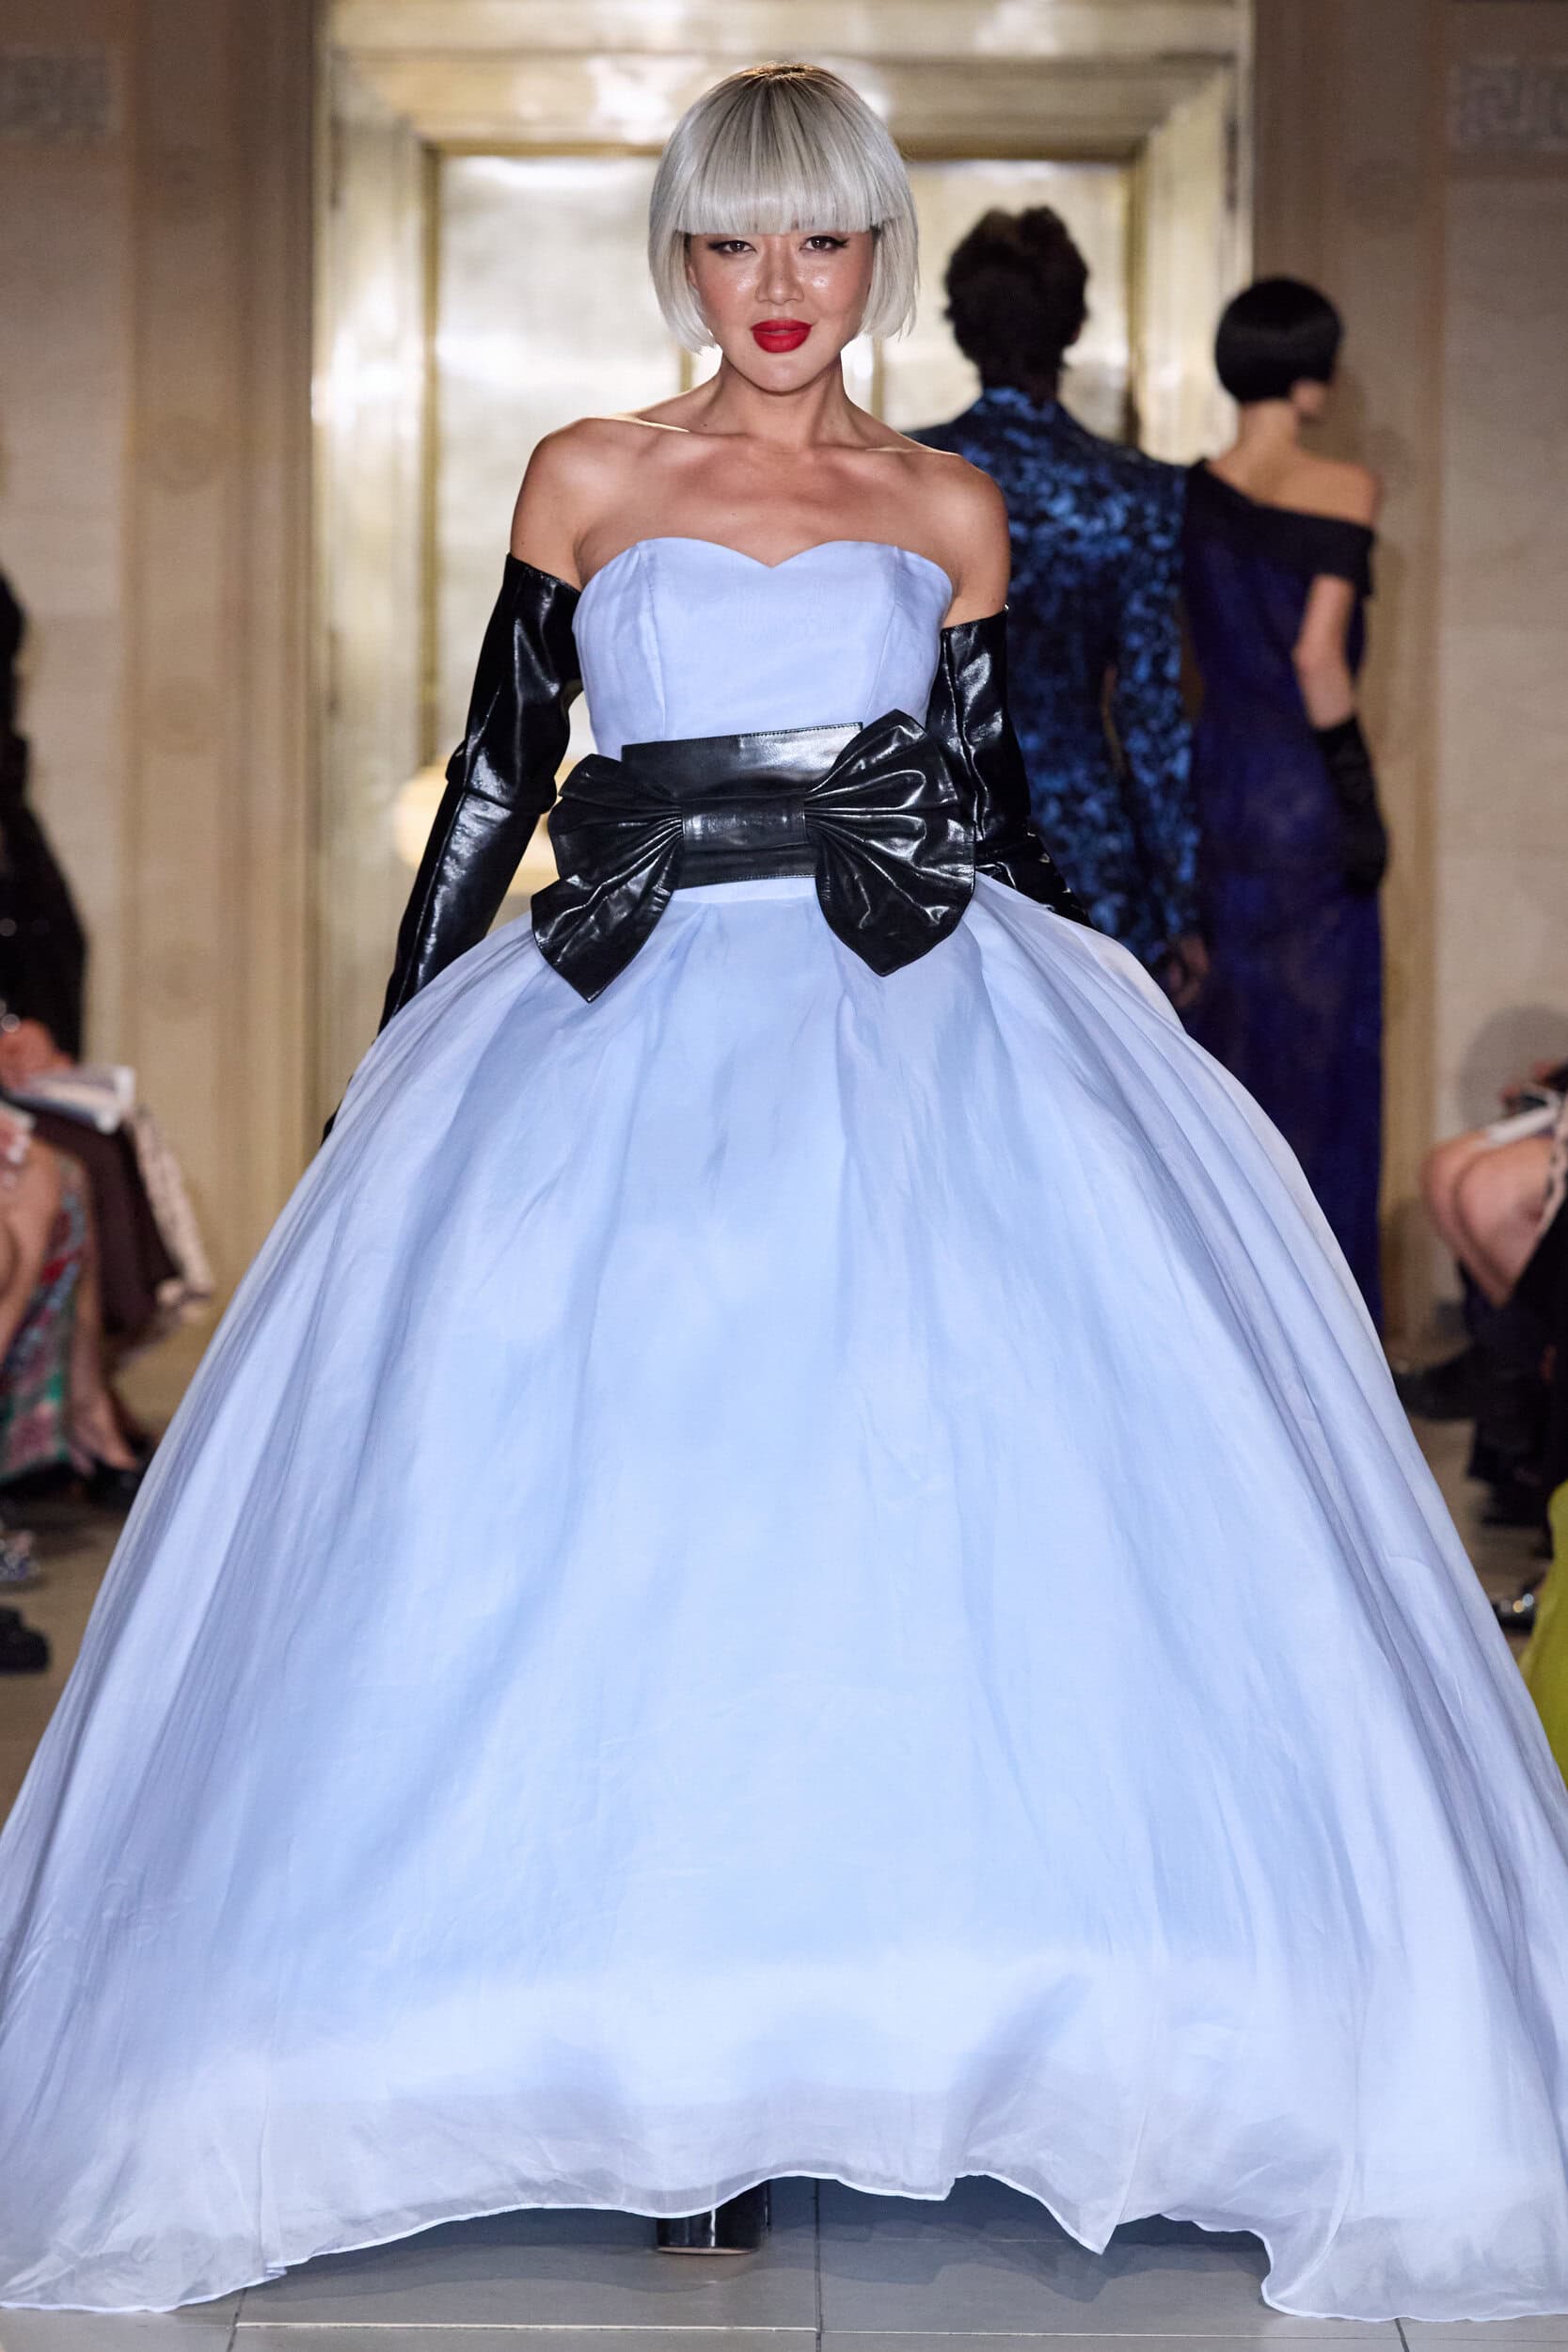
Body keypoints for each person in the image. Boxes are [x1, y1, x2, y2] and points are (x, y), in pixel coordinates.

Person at [4, 63, 1568, 2324]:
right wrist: (394, 1061)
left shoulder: (948, 508)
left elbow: (989, 810)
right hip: (611, 1017)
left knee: (929, 1501)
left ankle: (932, 2020)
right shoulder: (585, 476)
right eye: (732, 237)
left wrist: (1112, 1029)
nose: (773, 283)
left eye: (817, 238)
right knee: (622, 1494)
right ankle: (637, 2055)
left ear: (872, 257)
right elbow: (496, 786)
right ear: (679, 252)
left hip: (908, 1017)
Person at [913, 208, 1200, 996]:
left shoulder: (902, 475)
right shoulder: (1136, 491)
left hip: (928, 830)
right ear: (1073, 326)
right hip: (1082, 835)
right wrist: (1180, 903)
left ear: (961, 327)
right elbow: (1149, 712)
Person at [1182, 279, 1387, 1324]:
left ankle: (1228, 1323)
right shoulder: (1343, 485)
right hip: (1301, 796)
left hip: (1216, 785)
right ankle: (1319, 1330)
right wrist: (1358, 800)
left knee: (1227, 1055)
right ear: (1307, 368)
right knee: (1318, 1063)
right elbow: (1317, 657)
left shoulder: (1188, 495)